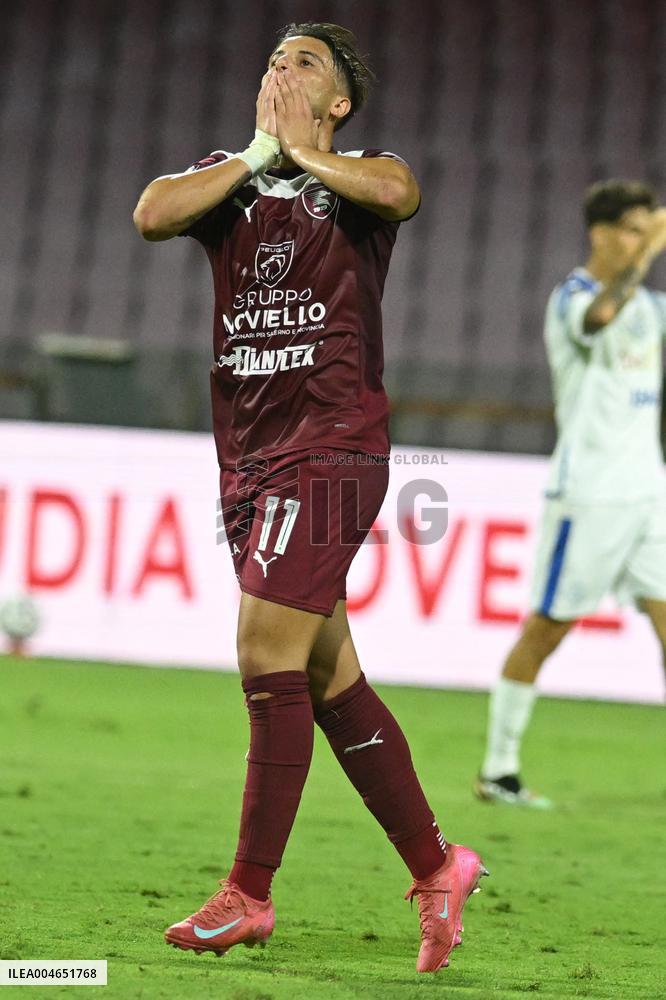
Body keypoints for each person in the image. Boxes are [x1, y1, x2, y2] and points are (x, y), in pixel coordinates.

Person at [134, 21, 487, 973]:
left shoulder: (365, 174)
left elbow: (400, 192)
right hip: (246, 459)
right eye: (273, 59)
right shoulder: (229, 179)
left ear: (337, 102)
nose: (277, 69)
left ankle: (248, 892)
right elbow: (152, 214)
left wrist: (301, 154)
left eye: (304, 63)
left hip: (330, 449)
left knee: (262, 648)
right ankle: (438, 864)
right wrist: (258, 155)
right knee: (327, 676)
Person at [476, 180, 666, 808]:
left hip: (649, 492)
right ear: (603, 234)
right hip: (587, 496)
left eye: (649, 229)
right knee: (548, 628)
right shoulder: (574, 298)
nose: (645, 242)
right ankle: (498, 771)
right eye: (634, 230)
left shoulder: (651, 308)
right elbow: (599, 318)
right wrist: (646, 257)